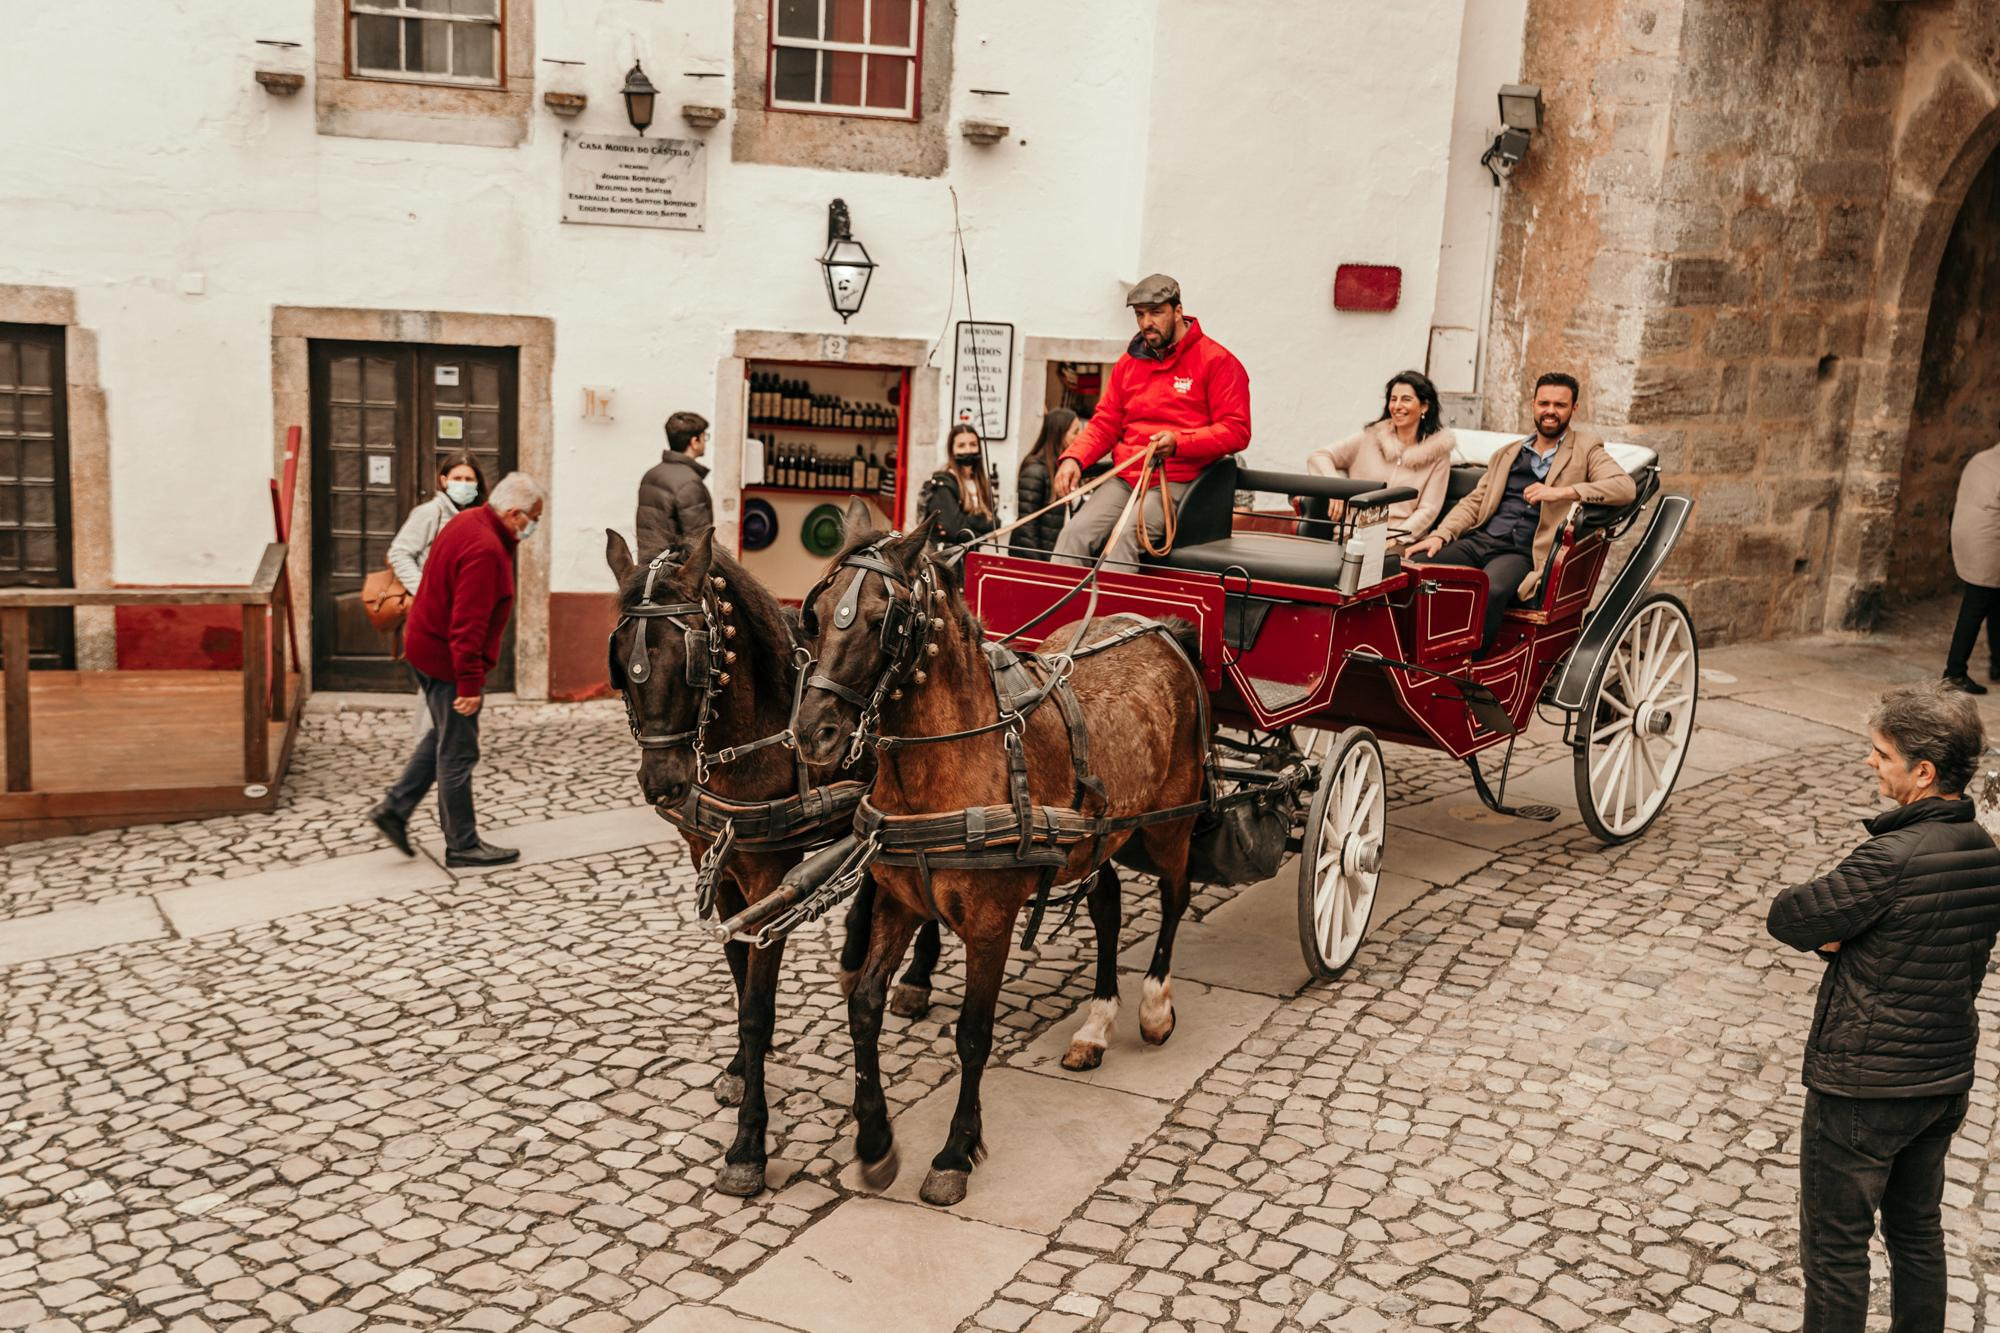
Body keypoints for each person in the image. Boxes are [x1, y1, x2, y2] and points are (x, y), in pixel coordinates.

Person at [1767, 682, 2000, 1332]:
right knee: (1917, 1232)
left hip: (1865, 1091)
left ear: (1923, 772)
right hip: (1943, 1082)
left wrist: (1840, 933)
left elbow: (1791, 914)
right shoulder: (1984, 850)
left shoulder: (1890, 858)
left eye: (1881, 753)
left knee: (1837, 1252)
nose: (1870, 762)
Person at [368, 472, 545, 869]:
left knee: (442, 736)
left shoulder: (467, 521)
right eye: (534, 517)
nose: (534, 525)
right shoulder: (485, 549)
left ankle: (395, 809)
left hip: (426, 648)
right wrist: (469, 684)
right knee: (458, 751)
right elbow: (468, 625)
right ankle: (462, 844)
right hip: (447, 660)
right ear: (514, 514)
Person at [1403, 372, 1635, 651]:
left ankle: (1471, 668)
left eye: (1560, 405)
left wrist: (1563, 492)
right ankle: (1415, 656)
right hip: (1482, 540)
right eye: (1544, 403)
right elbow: (1474, 502)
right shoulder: (1508, 453)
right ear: (1533, 405)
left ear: (1574, 409)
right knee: (1414, 567)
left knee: (1491, 587)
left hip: (1524, 551)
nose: (1550, 411)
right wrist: (1440, 535)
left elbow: (1624, 487)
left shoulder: (1586, 449)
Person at [1052, 274, 1252, 567]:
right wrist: (1074, 458)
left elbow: (1237, 430)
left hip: (1181, 480)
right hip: (1127, 478)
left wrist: (1179, 443)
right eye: (1140, 314)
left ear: (1178, 311)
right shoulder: (1128, 364)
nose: (1147, 322)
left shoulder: (1217, 361)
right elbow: (1105, 422)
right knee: (1073, 535)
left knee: (1127, 537)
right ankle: (1062, 612)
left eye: (1156, 312)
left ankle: (1114, 615)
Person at [387, 453, 487, 737]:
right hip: (436, 614)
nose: (463, 484)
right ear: (444, 481)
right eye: (457, 478)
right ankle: (432, 743)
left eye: (469, 479)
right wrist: (425, 592)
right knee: (439, 681)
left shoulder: (476, 515)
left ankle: (441, 740)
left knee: (453, 680)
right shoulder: (431, 512)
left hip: (463, 613)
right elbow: (399, 552)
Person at [1304, 370, 1456, 547]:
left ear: (1424, 406)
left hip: (1400, 542)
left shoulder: (1438, 453)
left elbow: (1428, 509)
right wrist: (1334, 486)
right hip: (1352, 536)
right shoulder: (1369, 437)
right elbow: (1319, 457)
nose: (1397, 406)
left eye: (1406, 399)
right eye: (1393, 399)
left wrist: (1394, 539)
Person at [1944, 437, 2000, 695]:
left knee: (1995, 601)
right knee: (1976, 605)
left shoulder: (1981, 459)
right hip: (1987, 544)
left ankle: (1998, 665)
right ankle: (1954, 673)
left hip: (1964, 537)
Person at [636, 411, 712, 560]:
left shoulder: (650, 475)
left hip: (649, 571)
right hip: (675, 575)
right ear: (694, 441)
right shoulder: (689, 482)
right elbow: (699, 542)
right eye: (705, 437)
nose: (705, 442)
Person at [1012, 408, 1079, 559]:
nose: (1080, 437)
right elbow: (1027, 524)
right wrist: (1039, 565)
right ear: (1059, 434)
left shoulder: (1063, 469)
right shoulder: (1035, 470)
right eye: (1075, 432)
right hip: (1034, 559)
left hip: (1055, 554)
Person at [920, 423, 999, 544]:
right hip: (945, 558)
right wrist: (983, 531)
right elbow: (957, 531)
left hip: (972, 556)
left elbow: (995, 524)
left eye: (973, 444)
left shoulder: (982, 483)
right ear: (952, 450)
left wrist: (965, 520)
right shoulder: (942, 483)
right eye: (961, 446)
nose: (968, 450)